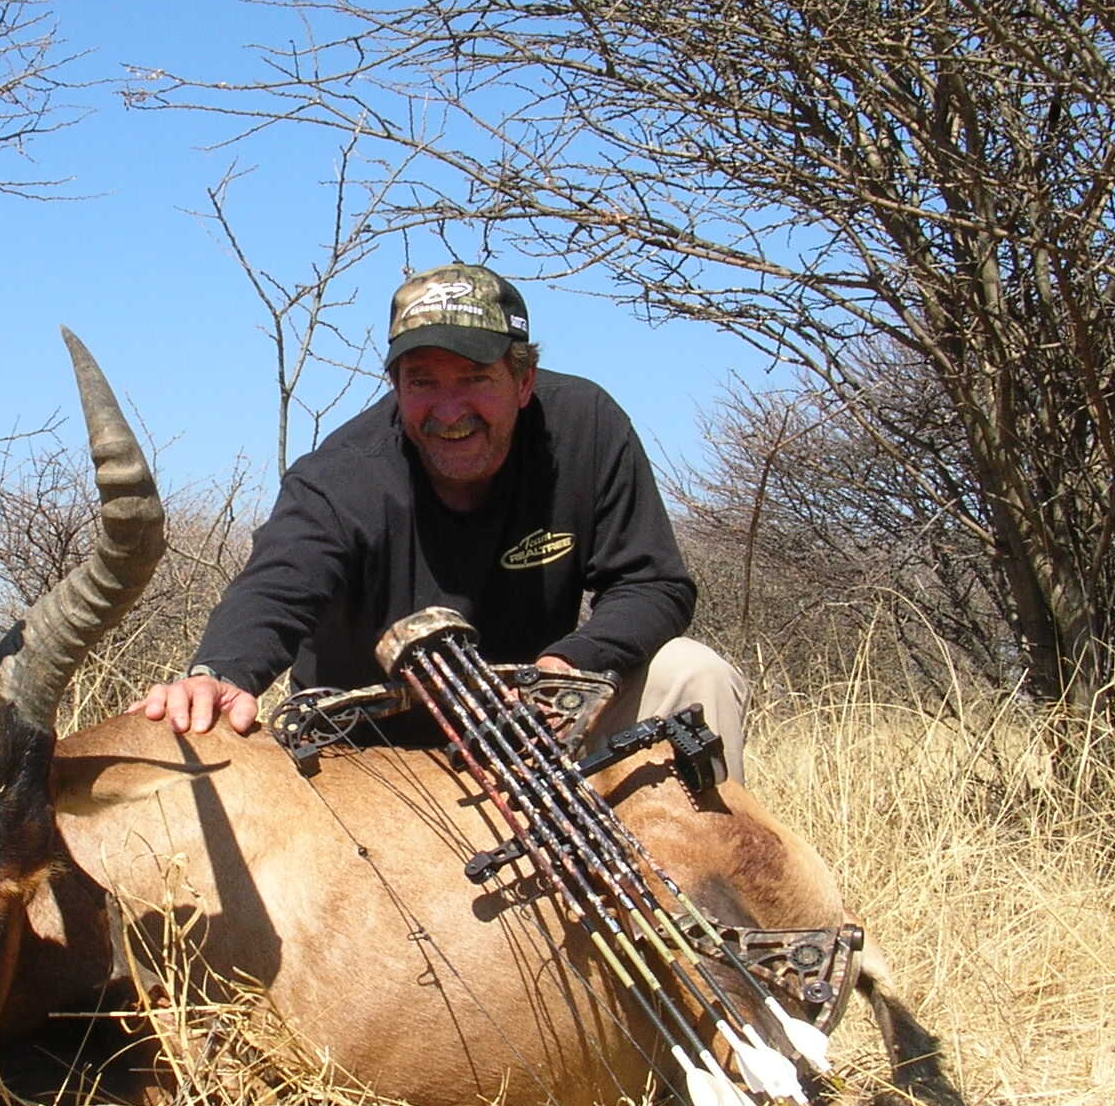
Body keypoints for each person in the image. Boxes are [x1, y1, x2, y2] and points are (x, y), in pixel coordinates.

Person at [132, 263, 753, 783]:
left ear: (523, 379)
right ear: (396, 385)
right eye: (423, 382)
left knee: (695, 675)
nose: (449, 411)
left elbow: (653, 583)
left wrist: (568, 667)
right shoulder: (342, 474)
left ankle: (719, 911)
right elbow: (278, 581)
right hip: (368, 758)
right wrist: (219, 673)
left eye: (476, 379)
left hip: (538, 728)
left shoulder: (585, 426)